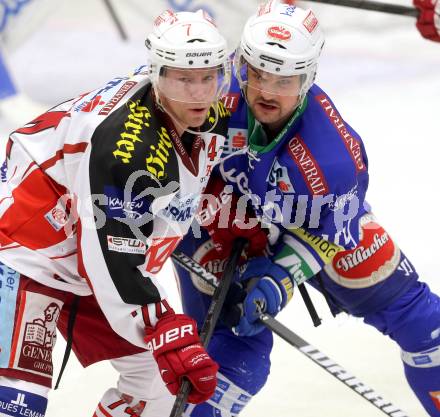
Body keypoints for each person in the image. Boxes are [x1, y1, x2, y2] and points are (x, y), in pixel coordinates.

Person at [173, 2, 440, 416]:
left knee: (425, 326)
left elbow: (334, 230)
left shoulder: (332, 159)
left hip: (308, 221)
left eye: (284, 79)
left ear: (309, 76)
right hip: (214, 218)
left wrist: (283, 275)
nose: (264, 90)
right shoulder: (209, 85)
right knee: (234, 360)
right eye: (257, 72)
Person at [0, 8, 232, 417]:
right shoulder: (127, 148)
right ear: (157, 75)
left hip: (87, 250)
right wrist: (163, 327)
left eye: (208, 77)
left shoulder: (206, 114)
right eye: (183, 78)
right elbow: (114, 258)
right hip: (26, 241)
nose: (198, 92)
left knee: (159, 387)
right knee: (16, 402)